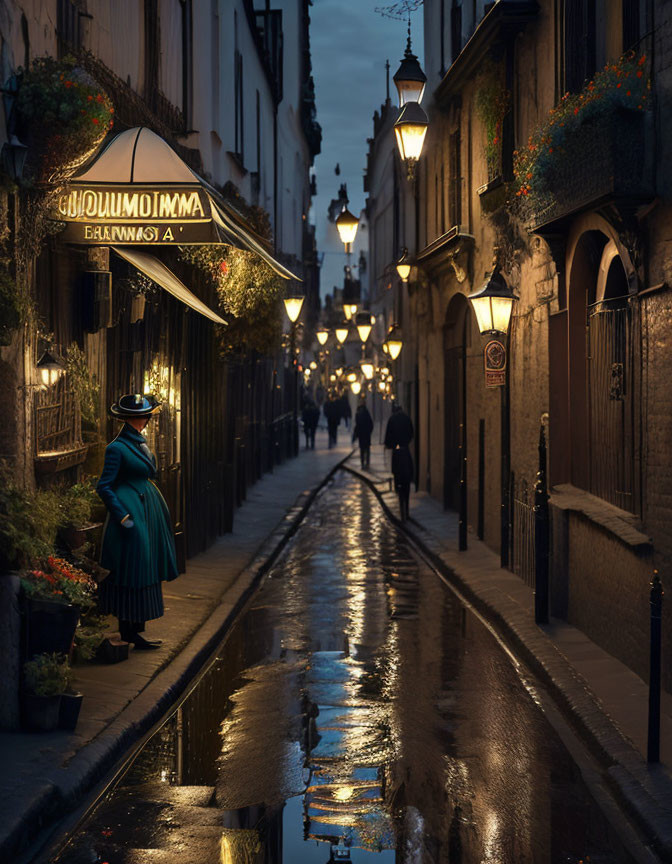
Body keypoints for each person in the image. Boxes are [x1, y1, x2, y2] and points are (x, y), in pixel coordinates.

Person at [96, 394, 179, 650]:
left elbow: (148, 471)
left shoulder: (140, 443)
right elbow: (104, 486)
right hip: (130, 512)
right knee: (133, 567)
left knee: (147, 566)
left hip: (146, 509)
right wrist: (122, 516)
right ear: (134, 418)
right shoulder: (116, 448)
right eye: (145, 417)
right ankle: (127, 631)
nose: (147, 421)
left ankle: (135, 631)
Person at [384, 402, 414, 521]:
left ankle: (402, 507)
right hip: (405, 451)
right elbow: (411, 433)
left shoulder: (392, 420)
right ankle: (406, 509)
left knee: (398, 479)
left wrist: (390, 445)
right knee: (406, 482)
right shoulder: (407, 418)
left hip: (397, 454)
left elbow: (388, 439)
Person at [352, 402, 374, 469]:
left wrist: (356, 434)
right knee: (367, 450)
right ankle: (367, 463)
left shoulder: (358, 415)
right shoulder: (367, 414)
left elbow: (357, 426)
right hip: (366, 435)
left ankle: (363, 464)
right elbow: (371, 425)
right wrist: (369, 432)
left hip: (362, 435)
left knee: (362, 450)